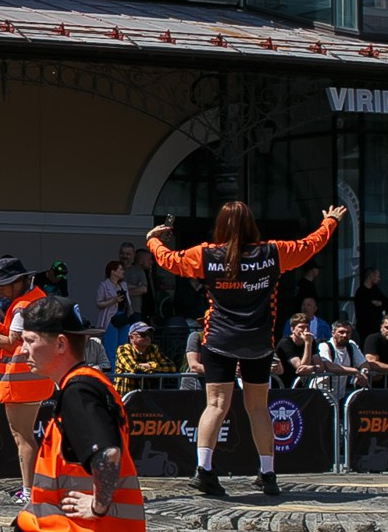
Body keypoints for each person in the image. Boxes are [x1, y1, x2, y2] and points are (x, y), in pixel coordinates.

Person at [146, 200, 345, 498]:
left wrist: (152, 241)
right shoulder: (272, 253)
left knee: (215, 405)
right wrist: (330, 221)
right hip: (258, 341)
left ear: (220, 226)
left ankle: (204, 470)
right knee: (257, 407)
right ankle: (267, 474)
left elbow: (170, 261)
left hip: (219, 340)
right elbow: (310, 245)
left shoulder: (207, 255)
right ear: (252, 224)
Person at [9, 297, 141, 532]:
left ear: (61, 344)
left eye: (30, 341)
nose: (22, 350)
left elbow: (106, 455)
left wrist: (97, 505)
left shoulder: (79, 390)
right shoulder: (81, 386)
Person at [0, 255, 55, 501]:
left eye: (2, 285)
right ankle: (33, 489)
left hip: (20, 381)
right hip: (35, 378)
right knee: (27, 436)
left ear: (17, 281)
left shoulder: (22, 305)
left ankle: (29, 492)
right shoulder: (39, 299)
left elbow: (11, 342)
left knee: (22, 437)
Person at [315, 318, 370, 399]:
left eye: (348, 332)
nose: (345, 335)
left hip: (340, 395)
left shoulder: (351, 345)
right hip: (321, 394)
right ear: (333, 333)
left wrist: (363, 373)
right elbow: (328, 366)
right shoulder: (325, 346)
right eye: (341, 332)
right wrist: (354, 371)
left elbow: (364, 364)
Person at [111, 321, 175, 392]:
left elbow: (171, 367)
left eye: (149, 334)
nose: (147, 337)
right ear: (131, 337)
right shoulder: (123, 349)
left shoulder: (153, 349)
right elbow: (133, 368)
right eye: (143, 335)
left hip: (146, 397)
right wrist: (154, 367)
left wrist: (149, 365)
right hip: (126, 396)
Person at [351, 267, 388, 335]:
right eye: (377, 276)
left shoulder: (375, 289)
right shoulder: (361, 292)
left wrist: (380, 303)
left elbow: (387, 302)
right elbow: (366, 309)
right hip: (365, 327)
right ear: (371, 276)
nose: (379, 279)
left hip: (376, 326)